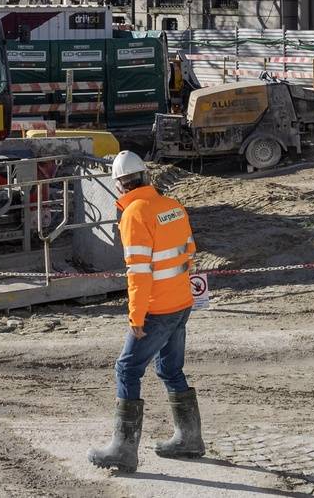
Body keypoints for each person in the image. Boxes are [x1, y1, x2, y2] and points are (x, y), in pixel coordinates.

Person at [89, 149, 202, 472]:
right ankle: (189, 439)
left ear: (120, 186)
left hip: (157, 309)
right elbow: (189, 252)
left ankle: (123, 449)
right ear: (145, 177)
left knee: (127, 369)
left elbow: (138, 272)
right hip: (181, 303)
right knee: (169, 370)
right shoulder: (172, 206)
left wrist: (136, 318)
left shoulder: (135, 214)